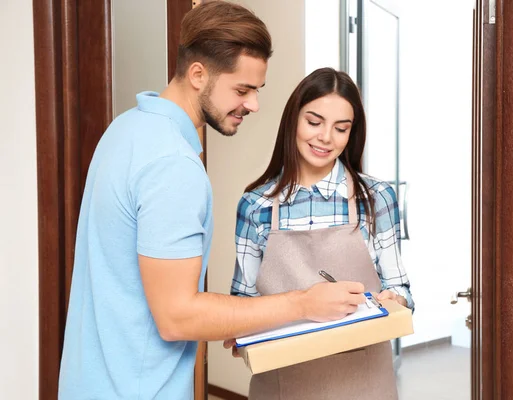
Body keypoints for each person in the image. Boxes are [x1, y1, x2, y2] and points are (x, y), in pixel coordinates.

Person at [58, 3, 366, 399]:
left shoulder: (126, 128)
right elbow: (178, 316)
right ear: (198, 74)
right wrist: (304, 303)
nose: (253, 104)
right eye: (242, 89)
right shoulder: (173, 165)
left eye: (257, 90)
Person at [228, 67, 415, 399]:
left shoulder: (377, 199)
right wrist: (240, 332)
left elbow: (400, 290)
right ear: (293, 121)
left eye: (340, 128)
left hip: (366, 381)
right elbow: (243, 303)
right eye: (314, 122)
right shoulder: (255, 205)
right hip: (284, 383)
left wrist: (395, 300)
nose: (326, 137)